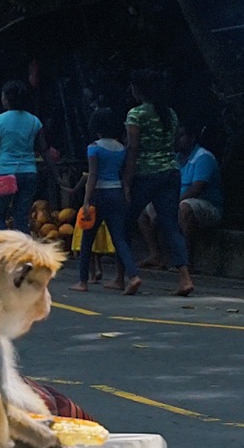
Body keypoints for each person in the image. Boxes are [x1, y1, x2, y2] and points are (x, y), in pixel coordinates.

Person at [124, 69, 193, 297]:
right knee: (170, 225)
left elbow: (133, 149)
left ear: (138, 90)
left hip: (145, 173)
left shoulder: (136, 115)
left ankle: (127, 275)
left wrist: (126, 181)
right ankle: (184, 278)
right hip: (170, 172)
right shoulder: (169, 113)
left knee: (125, 221)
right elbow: (171, 143)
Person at [76, 108, 139, 295]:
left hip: (99, 194)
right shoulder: (121, 148)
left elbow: (93, 175)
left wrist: (86, 201)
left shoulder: (93, 147)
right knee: (119, 238)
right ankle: (133, 275)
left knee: (87, 239)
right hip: (117, 193)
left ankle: (82, 281)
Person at [0, 81, 46, 233]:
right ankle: (21, 254)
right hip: (29, 173)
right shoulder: (35, 121)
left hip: (5, 174)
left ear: (6, 99)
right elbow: (43, 150)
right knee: (21, 219)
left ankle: (3, 251)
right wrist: (57, 176)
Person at [177, 123, 223, 253]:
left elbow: (196, 188)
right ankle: (156, 254)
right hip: (178, 201)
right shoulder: (176, 159)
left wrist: (173, 203)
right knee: (146, 209)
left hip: (207, 205)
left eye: (182, 135)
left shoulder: (203, 157)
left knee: (185, 207)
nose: (177, 139)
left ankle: (187, 259)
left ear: (192, 138)